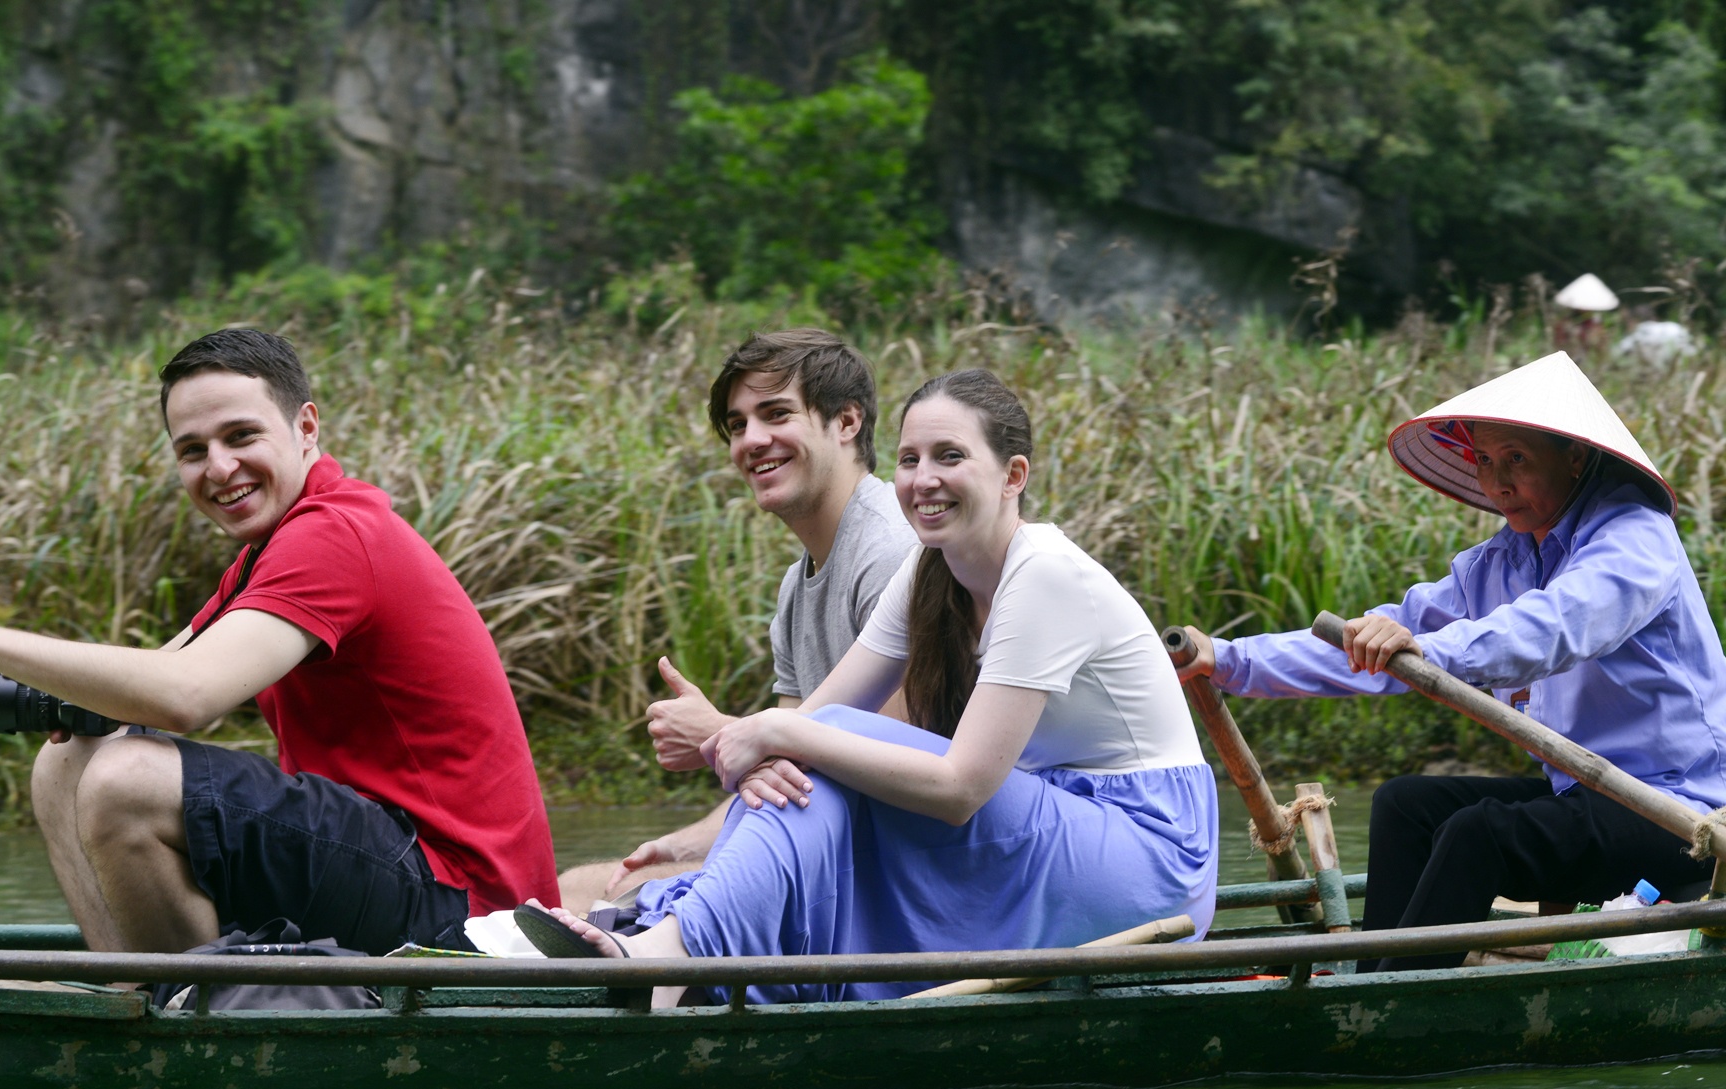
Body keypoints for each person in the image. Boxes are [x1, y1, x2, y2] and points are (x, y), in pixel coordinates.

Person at [521, 369, 1220, 1005]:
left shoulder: (1045, 574)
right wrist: (714, 817)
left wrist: (780, 731)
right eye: (911, 460)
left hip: (1150, 855)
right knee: (821, 748)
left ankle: (669, 957)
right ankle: (675, 941)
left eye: (950, 456)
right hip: (1057, 825)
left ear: (1013, 476)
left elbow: (960, 787)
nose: (923, 479)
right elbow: (826, 715)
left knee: (829, 743)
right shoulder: (930, 568)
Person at [0, 328, 557, 956]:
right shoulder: (271, 549)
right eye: (193, 451)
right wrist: (60, 705)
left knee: (127, 780)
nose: (219, 469)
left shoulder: (334, 535)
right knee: (66, 764)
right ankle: (139, 995)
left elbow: (186, 696)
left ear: (305, 427)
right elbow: (162, 672)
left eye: (241, 436)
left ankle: (210, 1021)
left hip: (465, 902)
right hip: (395, 867)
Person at [1174, 350, 1726, 972]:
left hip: (1685, 819)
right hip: (1586, 797)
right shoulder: (1499, 563)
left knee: (1481, 831)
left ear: (1575, 458)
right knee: (1406, 802)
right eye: (1486, 461)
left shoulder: (1635, 536)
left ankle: (1391, 1000)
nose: (1497, 484)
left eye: (1517, 459)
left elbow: (1554, 627)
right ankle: (1372, 975)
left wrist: (1423, 650)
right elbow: (1369, 639)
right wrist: (1226, 659)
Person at [556, 329, 915, 910]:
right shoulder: (797, 587)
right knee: (580, 887)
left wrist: (717, 734)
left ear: (846, 423)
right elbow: (783, 771)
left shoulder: (892, 552)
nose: (753, 440)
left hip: (892, 861)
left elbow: (907, 747)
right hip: (822, 836)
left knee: (599, 901)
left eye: (776, 414)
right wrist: (684, 841)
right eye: (737, 424)